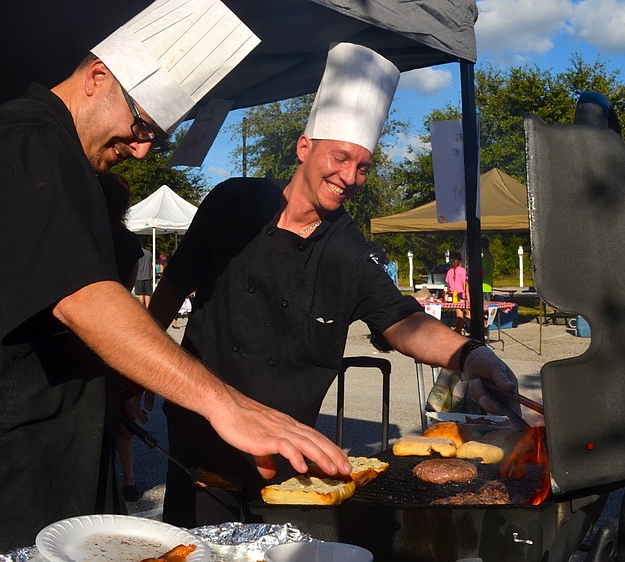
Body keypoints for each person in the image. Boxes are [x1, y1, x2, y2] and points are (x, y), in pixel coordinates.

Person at [0, 3, 351, 559]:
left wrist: (113, 384)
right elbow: (81, 298)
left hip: (45, 467)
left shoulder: (67, 159)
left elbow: (43, 313)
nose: (142, 149)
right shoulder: (20, 140)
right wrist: (225, 404)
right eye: (141, 126)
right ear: (97, 77)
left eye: (157, 138)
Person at [148, 42, 519, 528]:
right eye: (341, 157)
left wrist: (472, 355)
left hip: (286, 457)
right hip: (202, 442)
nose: (350, 177)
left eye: (363, 166)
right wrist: (140, 373)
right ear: (305, 147)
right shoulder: (233, 204)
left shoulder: (348, 247)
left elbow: (402, 320)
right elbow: (173, 286)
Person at [98, 173, 147, 503]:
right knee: (126, 410)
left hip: (79, 338)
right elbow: (126, 292)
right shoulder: (131, 244)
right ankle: (128, 480)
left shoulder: (84, 235)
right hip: (115, 332)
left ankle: (102, 485)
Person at [445, 251, 470, 334]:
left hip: (453, 296)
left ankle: (457, 331)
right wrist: (468, 297)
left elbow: (448, 284)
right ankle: (457, 331)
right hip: (461, 295)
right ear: (461, 261)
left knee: (459, 315)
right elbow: (465, 285)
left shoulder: (449, 271)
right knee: (468, 314)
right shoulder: (462, 271)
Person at [482, 237, 495, 301]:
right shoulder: (490, 257)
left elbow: (484, 274)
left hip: (484, 287)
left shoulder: (485, 259)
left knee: (484, 307)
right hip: (488, 286)